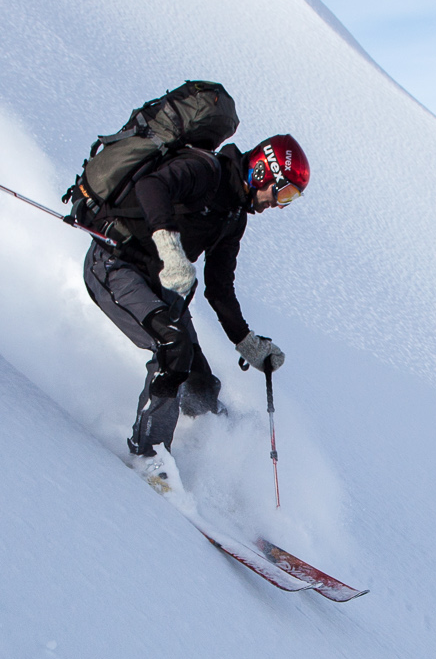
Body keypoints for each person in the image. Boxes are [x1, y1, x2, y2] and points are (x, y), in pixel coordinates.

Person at [81, 133, 308, 462]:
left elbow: (219, 288)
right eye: (283, 192)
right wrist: (172, 252)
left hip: (159, 284)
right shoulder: (204, 170)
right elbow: (151, 187)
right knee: (173, 348)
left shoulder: (233, 217)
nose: (279, 204)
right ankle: (148, 455)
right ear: (263, 171)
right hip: (114, 263)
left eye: (290, 199)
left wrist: (248, 344)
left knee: (198, 383)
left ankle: (226, 450)